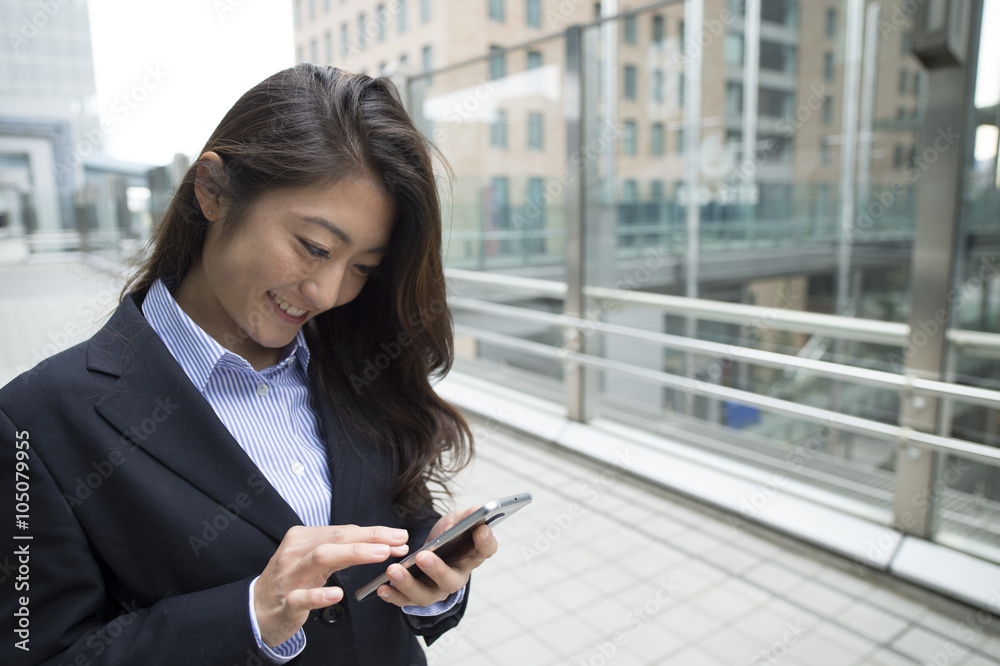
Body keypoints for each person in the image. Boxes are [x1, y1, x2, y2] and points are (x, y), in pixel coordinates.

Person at [0, 64, 497, 665]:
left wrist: (431, 589)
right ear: (212, 190)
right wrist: (251, 614)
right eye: (314, 248)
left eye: (363, 266)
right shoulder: (35, 421)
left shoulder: (357, 359)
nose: (328, 292)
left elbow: (397, 523)